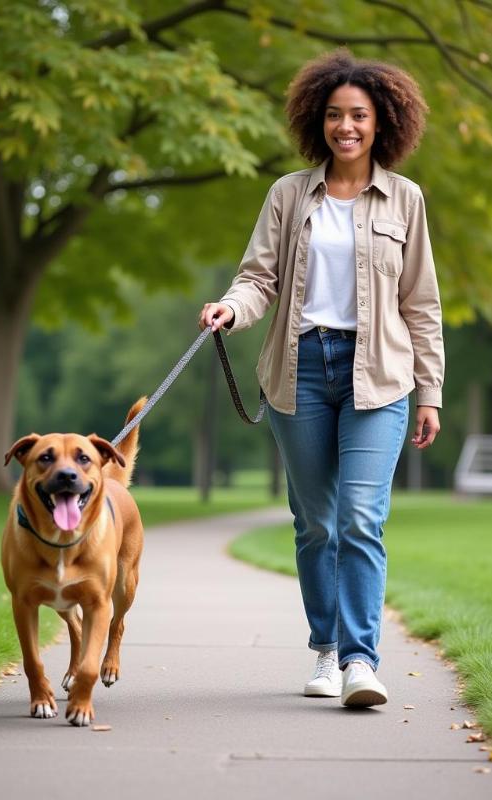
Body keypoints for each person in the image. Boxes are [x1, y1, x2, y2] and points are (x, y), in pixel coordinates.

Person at [199, 50, 444, 708]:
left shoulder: (405, 200)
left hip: (380, 377)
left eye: (359, 115)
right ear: (318, 120)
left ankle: (363, 662)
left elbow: (421, 304)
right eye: (335, 115)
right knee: (316, 525)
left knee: (362, 518)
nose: (347, 126)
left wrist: (431, 393)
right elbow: (258, 280)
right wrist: (231, 309)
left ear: (383, 121)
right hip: (300, 371)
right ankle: (327, 649)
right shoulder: (287, 194)